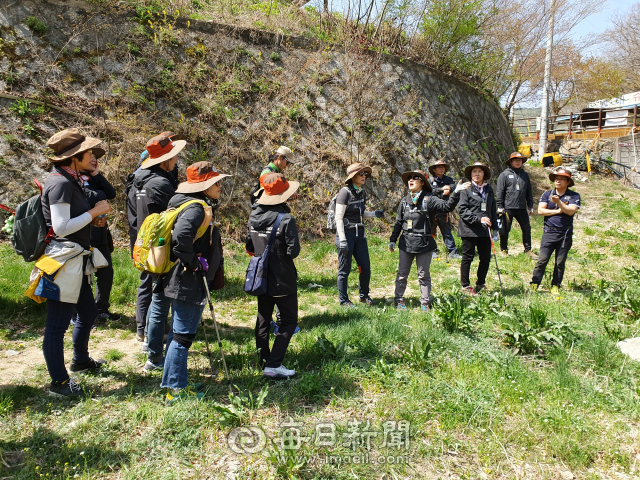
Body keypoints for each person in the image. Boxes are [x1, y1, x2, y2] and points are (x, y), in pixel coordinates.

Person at [40, 128, 112, 397]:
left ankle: (80, 360)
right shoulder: (59, 183)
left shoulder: (72, 181)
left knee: (89, 312)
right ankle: (59, 383)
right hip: (63, 262)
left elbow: (70, 221)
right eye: (89, 153)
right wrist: (94, 212)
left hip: (75, 259)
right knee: (57, 324)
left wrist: (91, 219)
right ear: (75, 157)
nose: (93, 156)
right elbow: (60, 227)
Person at [159, 162, 230, 403]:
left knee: (177, 334)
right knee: (183, 336)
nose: (221, 186)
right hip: (188, 279)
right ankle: (176, 391)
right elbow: (181, 237)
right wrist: (194, 262)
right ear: (205, 185)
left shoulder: (187, 204)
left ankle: (174, 382)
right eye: (217, 182)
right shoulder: (196, 209)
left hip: (181, 278)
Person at [127, 134, 184, 346]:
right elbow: (173, 215)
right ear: (165, 159)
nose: (177, 159)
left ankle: (144, 331)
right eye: (174, 156)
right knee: (160, 293)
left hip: (143, 241)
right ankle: (153, 338)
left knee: (148, 286)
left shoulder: (138, 180)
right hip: (159, 244)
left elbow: (133, 215)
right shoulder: (160, 184)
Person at [389, 170, 470, 310]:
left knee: (423, 275)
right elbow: (398, 223)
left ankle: (425, 301)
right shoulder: (404, 201)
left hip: (424, 243)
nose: (411, 180)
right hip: (406, 242)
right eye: (409, 178)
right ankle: (399, 299)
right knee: (402, 274)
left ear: (422, 182)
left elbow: (446, 207)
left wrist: (456, 192)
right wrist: (392, 240)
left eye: (415, 178)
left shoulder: (429, 199)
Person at [246, 173, 300, 379]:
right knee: (288, 321)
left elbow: (249, 246)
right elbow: (293, 251)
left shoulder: (253, 216)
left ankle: (262, 359)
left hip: (261, 275)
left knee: (263, 317)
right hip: (283, 277)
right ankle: (274, 364)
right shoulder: (285, 219)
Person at [334, 163, 384, 307]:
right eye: (361, 174)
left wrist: (374, 214)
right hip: (346, 235)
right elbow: (339, 217)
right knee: (345, 269)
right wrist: (342, 239)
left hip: (360, 235)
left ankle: (364, 295)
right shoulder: (345, 192)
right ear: (352, 177)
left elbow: (361, 214)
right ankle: (343, 300)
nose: (364, 176)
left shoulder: (361, 192)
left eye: (365, 174)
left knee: (365, 268)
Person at [530, 168, 580, 294]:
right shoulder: (547, 194)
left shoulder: (574, 196)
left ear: (568, 181)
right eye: (556, 178)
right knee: (542, 260)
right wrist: (558, 211)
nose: (558, 181)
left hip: (565, 233)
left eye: (562, 179)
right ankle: (535, 283)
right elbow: (541, 211)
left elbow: (570, 211)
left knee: (560, 261)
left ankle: (555, 285)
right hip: (549, 232)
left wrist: (559, 203)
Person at [81, 155, 119, 321]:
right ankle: (82, 312)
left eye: (96, 158)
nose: (94, 160)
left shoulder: (93, 178)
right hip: (83, 234)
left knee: (106, 273)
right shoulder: (75, 178)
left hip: (101, 234)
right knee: (83, 275)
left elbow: (110, 193)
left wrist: (97, 175)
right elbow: (93, 197)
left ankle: (101, 308)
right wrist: (99, 195)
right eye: (90, 157)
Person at [457, 162, 498, 295]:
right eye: (474, 171)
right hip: (469, 229)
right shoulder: (466, 189)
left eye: (480, 171)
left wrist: (495, 228)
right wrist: (478, 219)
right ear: (470, 174)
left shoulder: (489, 189)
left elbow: (492, 209)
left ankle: (480, 283)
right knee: (467, 257)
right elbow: (462, 210)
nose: (477, 174)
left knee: (485, 258)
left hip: (485, 230)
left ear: (484, 174)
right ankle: (465, 286)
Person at [496, 152, 535, 257]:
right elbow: (500, 192)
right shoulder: (504, 174)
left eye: (520, 160)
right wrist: (499, 206)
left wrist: (530, 206)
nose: (518, 162)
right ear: (511, 162)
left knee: (526, 228)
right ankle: (504, 250)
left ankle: (528, 250)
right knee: (504, 230)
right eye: (515, 160)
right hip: (508, 207)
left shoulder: (525, 175)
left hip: (522, 207)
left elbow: (529, 192)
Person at [427, 160, 462, 260]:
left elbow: (453, 187)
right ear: (434, 169)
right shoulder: (430, 180)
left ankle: (452, 252)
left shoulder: (448, 179)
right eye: (439, 167)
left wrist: (448, 189)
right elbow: (429, 191)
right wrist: (442, 189)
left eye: (443, 167)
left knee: (446, 231)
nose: (441, 169)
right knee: (431, 231)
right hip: (432, 210)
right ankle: (432, 251)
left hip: (444, 209)